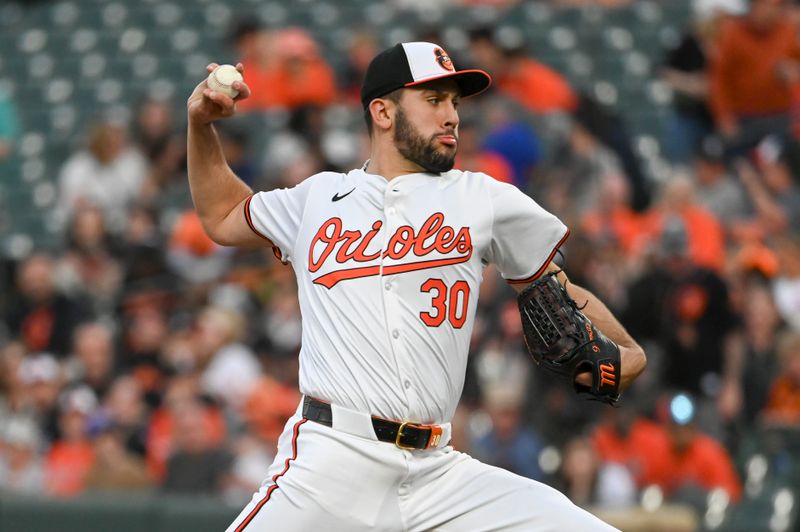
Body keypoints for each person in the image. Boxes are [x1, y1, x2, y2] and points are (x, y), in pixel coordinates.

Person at [186, 41, 646, 531]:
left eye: (454, 102)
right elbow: (224, 214)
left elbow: (558, 289)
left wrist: (628, 350)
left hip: (438, 474)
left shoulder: (482, 198)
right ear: (382, 112)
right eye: (432, 100)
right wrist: (200, 126)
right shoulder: (318, 199)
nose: (450, 115)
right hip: (332, 463)